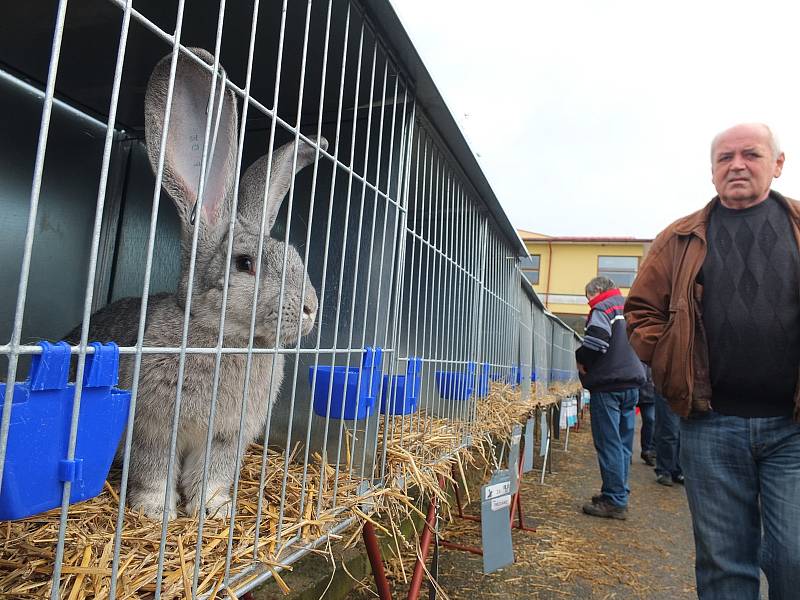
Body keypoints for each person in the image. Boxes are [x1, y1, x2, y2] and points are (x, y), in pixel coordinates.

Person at [625, 123, 800, 599]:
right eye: (725, 157)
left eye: (751, 154)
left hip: (793, 427)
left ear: (778, 164)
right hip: (710, 424)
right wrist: (668, 362)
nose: (736, 165)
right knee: (724, 562)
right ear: (712, 171)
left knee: (794, 556)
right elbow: (640, 311)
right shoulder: (679, 238)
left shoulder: (797, 226)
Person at [576, 276, 645, 520]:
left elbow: (596, 342)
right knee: (624, 443)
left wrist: (581, 360)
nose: (588, 303)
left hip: (609, 385)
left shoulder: (603, 308)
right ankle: (618, 493)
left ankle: (614, 500)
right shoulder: (631, 308)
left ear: (596, 291)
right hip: (632, 383)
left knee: (608, 443)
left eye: (588, 298)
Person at [653, 389, 683, 486]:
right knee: (669, 431)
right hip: (668, 387)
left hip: (685, 389)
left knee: (680, 433)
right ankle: (664, 470)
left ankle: (677, 470)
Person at [637, 365, 657, 466]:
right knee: (627, 424)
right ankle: (625, 452)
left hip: (649, 392)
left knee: (650, 421)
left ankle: (647, 451)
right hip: (633, 388)